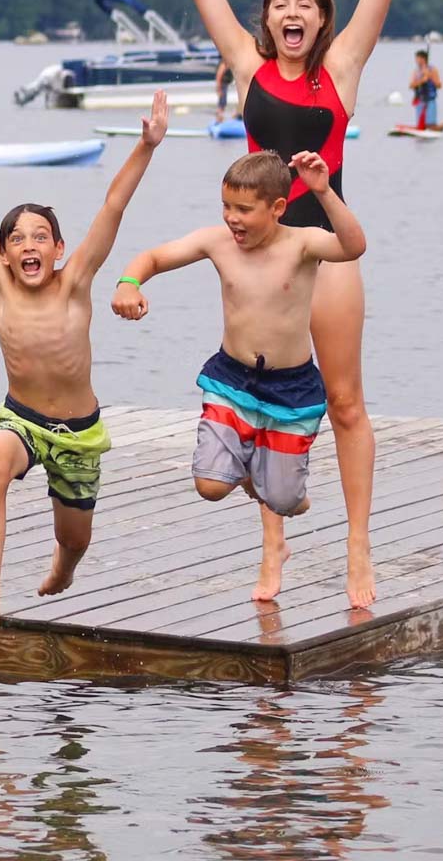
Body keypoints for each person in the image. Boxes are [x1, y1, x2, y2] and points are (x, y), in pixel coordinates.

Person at [155, 0, 443, 609]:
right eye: (279, 7)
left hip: (328, 251)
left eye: (305, 7)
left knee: (346, 403)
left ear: (321, 20)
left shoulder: (342, 69)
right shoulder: (250, 68)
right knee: (259, 397)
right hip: (265, 256)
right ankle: (273, 545)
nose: (292, 15)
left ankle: (358, 550)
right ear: (267, 21)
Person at [0, 66, 167, 625]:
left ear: (59, 249)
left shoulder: (75, 283)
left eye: (40, 238)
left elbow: (113, 206)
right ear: (3, 253)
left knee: (73, 534)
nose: (28, 246)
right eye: (16, 239)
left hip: (79, 432)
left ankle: (65, 566)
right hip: (21, 419)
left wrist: (146, 148)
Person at [113, 150, 366, 601]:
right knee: (210, 486)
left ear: (277, 208)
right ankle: (257, 471)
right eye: (227, 207)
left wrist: (325, 192)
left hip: (290, 390)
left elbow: (353, 246)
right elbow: (153, 257)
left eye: (244, 210)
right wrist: (128, 284)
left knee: (286, 501)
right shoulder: (218, 242)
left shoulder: (303, 244)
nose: (233, 219)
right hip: (232, 381)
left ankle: (278, 484)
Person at [408, 50, 443, 129]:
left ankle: (435, 127)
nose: (416, 61)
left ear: (423, 59)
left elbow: (439, 85)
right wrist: (422, 80)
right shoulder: (416, 71)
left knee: (430, 124)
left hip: (430, 100)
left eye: (418, 59)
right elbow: (411, 85)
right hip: (420, 100)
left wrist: (429, 76)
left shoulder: (432, 69)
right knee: (421, 125)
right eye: (416, 59)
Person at [214, 59, 234, 124]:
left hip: (224, 84)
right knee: (222, 103)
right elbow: (219, 75)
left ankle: (220, 119)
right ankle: (219, 119)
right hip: (222, 84)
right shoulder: (224, 63)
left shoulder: (227, 62)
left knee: (223, 103)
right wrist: (218, 87)